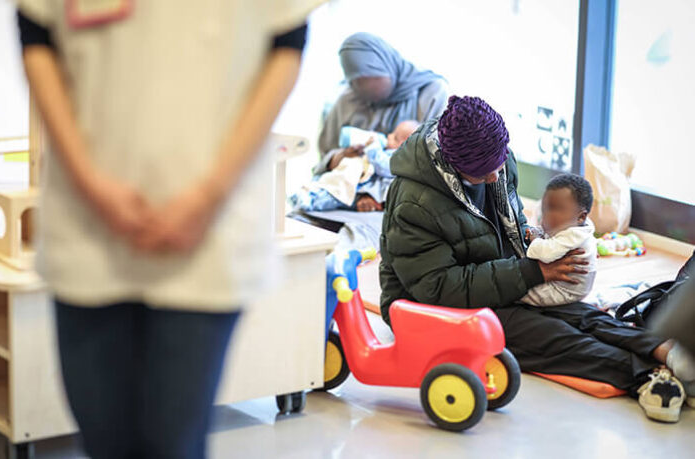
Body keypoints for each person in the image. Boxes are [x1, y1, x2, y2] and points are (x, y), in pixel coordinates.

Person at [16, 1, 321, 457]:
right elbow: (35, 36)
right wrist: (90, 183)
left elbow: (287, 42)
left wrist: (208, 196)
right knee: (105, 440)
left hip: (210, 225)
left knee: (174, 441)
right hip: (88, 222)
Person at [379, 94, 695, 423]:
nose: (494, 177)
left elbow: (511, 223)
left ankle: (662, 348)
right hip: (424, 307)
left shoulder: (495, 161)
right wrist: (532, 272)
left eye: (497, 164)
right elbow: (438, 288)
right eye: (483, 172)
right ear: (455, 165)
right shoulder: (414, 204)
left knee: (574, 312)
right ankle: (647, 375)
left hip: (489, 277)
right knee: (545, 335)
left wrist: (547, 250)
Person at [315, 32, 448, 213]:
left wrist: (377, 192)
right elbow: (324, 158)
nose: (362, 88)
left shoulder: (431, 93)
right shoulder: (347, 100)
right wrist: (341, 158)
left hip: (404, 204)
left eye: (369, 78)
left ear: (387, 66)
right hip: (344, 197)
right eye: (355, 81)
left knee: (354, 237)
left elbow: (437, 165)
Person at [291, 120, 419, 212]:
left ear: (405, 147)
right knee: (333, 184)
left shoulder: (398, 160)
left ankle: (310, 202)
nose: (389, 136)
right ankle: (307, 192)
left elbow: (382, 165)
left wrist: (372, 146)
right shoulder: (388, 152)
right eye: (392, 133)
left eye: (395, 138)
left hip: (365, 192)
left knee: (336, 197)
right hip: (359, 186)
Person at [520, 174, 597, 307]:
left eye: (557, 210)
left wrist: (535, 239)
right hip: (566, 284)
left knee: (520, 293)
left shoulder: (573, 234)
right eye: (545, 209)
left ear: (581, 217)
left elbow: (545, 253)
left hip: (564, 290)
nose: (547, 216)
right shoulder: (575, 225)